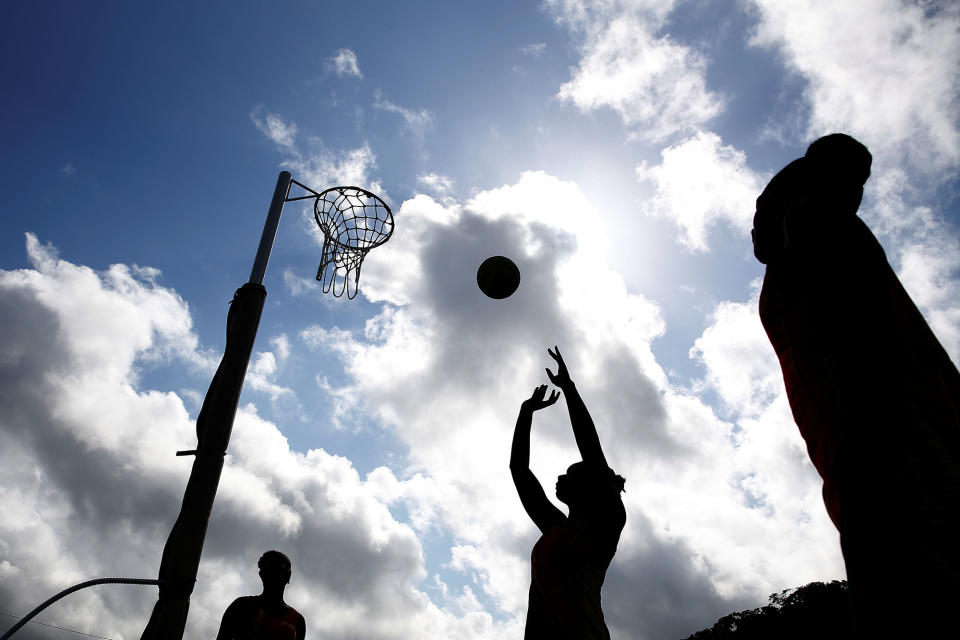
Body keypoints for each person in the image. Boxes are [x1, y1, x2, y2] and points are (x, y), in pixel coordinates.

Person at [752, 133, 960, 636]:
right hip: (881, 423)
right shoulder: (812, 220)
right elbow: (851, 336)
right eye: (852, 178)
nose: (858, 191)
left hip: (880, 426)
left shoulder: (813, 230)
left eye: (862, 181)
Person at [510, 346, 626, 639]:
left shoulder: (605, 524)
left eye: (572, 474)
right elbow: (519, 471)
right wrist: (526, 412)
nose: (561, 475)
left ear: (594, 485)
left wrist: (569, 389)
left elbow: (591, 448)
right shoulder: (556, 527)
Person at [216, 550, 307, 640]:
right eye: (271, 568)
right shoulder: (241, 606)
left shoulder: (297, 621)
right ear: (262, 574)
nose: (276, 574)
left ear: (288, 576)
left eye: (280, 569)